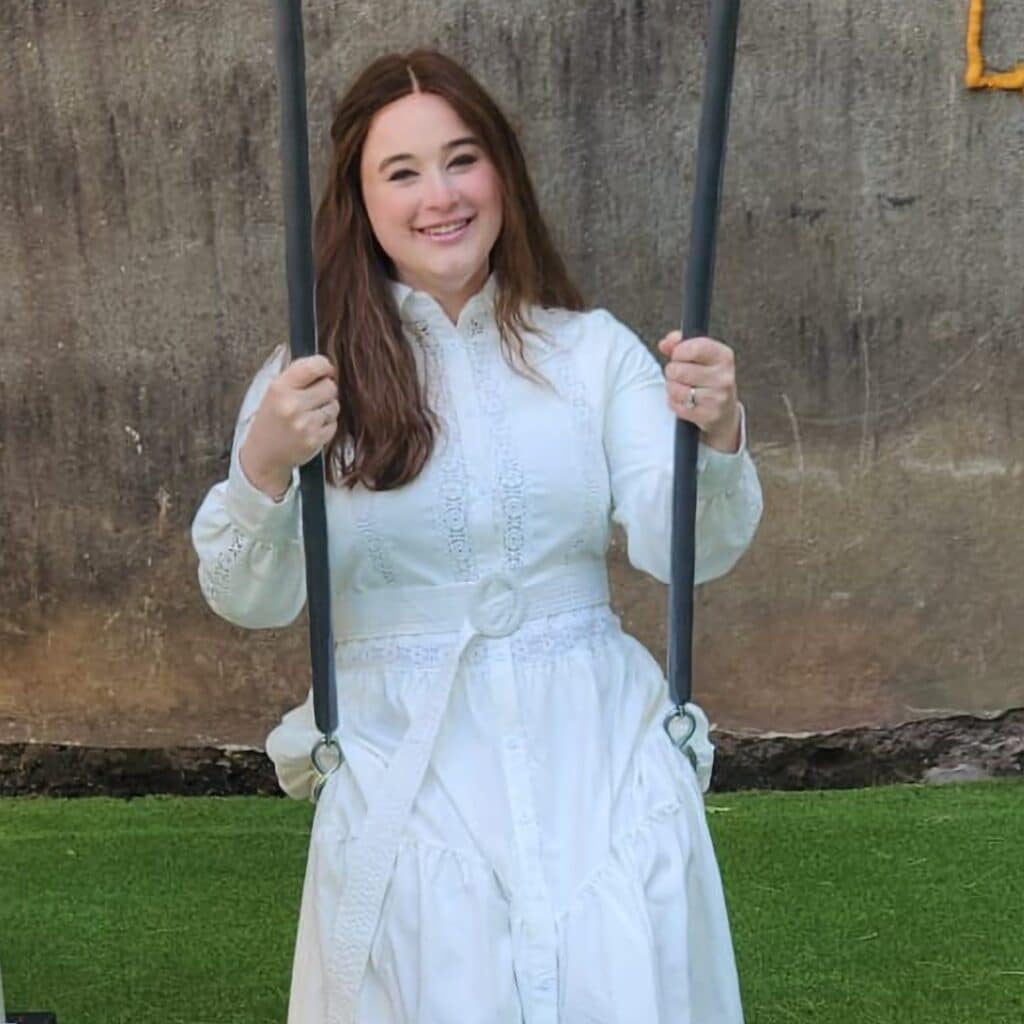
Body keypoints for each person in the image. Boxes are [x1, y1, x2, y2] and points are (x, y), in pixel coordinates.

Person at [192, 48, 762, 1024]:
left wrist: (712, 437)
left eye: (461, 160)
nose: (439, 196)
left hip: (596, 753)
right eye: (401, 172)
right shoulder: (310, 377)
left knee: (613, 970)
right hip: (401, 763)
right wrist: (263, 464)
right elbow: (251, 597)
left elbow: (683, 549)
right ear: (358, 199)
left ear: (502, 170)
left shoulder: (589, 354)